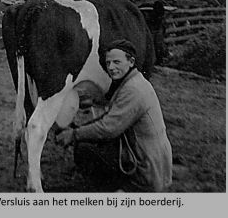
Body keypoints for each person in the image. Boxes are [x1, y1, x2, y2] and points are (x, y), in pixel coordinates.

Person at [57, 39, 172, 192]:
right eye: (108, 63)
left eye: (117, 62)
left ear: (131, 62)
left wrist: (74, 134)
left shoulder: (133, 90)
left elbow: (108, 128)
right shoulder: (133, 81)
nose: (111, 67)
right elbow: (111, 118)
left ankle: (111, 191)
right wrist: (80, 129)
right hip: (151, 158)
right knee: (92, 141)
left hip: (146, 169)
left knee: (85, 150)